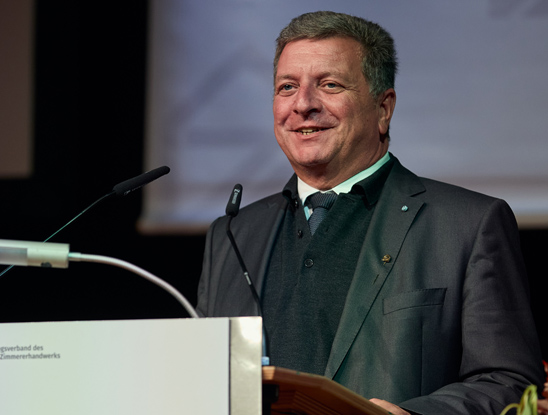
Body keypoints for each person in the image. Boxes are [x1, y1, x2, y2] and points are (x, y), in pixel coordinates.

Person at [195, 11, 545, 415]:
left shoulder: (467, 225)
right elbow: (200, 379)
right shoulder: (232, 235)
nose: (303, 104)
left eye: (329, 85)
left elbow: (510, 383)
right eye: (287, 87)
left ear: (383, 108)